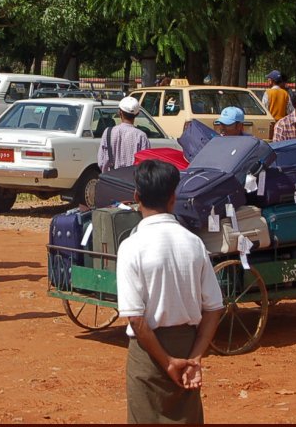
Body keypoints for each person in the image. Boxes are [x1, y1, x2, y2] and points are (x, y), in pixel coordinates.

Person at [116, 160, 224, 424]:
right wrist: (195, 357)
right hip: (187, 347)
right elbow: (214, 308)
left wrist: (166, 363)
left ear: (136, 197)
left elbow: (136, 319)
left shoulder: (132, 246)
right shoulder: (194, 243)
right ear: (173, 199)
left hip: (149, 358)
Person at [98, 97, 151, 173]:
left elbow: (101, 161)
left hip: (111, 179)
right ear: (137, 114)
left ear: (120, 112)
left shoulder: (108, 132)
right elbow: (145, 164)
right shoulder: (141, 136)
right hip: (132, 181)